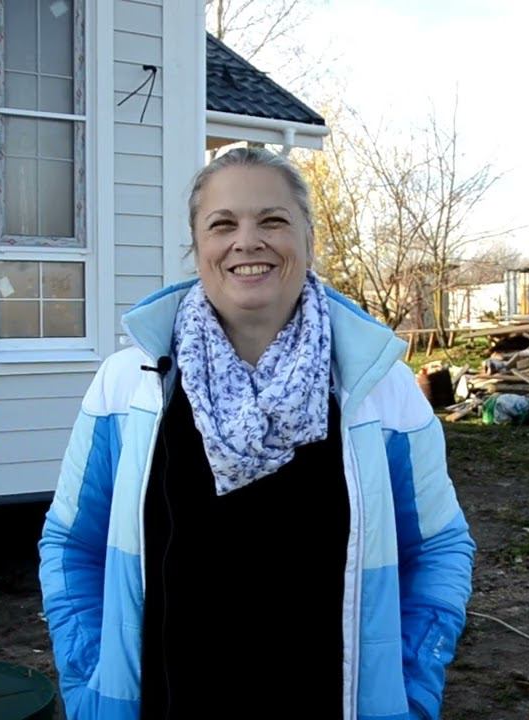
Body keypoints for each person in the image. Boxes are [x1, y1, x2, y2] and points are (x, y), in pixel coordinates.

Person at [38, 146, 475, 720]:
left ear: (308, 240)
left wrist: (411, 690)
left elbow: (438, 548)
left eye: (272, 220)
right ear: (197, 247)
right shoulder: (130, 387)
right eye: (223, 224)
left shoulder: (379, 390)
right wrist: (91, 684)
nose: (247, 241)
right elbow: (71, 545)